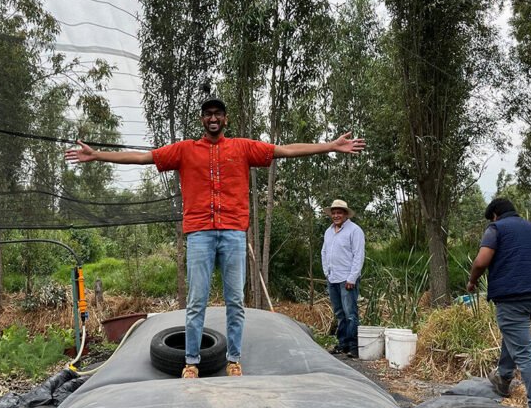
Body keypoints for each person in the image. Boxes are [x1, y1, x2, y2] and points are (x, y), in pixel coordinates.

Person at [65, 98, 365, 378]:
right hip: (199, 234)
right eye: (208, 114)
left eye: (217, 114)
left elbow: (283, 150)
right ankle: (191, 362)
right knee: (197, 301)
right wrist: (98, 155)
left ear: (225, 119)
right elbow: (143, 157)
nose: (213, 118)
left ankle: (233, 359)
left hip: (234, 232)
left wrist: (330, 146)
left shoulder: (242, 147)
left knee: (235, 300)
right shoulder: (185, 149)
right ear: (202, 119)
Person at [467, 197, 531, 408]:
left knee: (524, 351)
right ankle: (503, 377)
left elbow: (481, 261)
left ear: (495, 215)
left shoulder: (496, 229)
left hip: (513, 298)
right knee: (513, 334)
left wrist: (472, 281)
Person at [321, 199, 365, 358]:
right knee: (339, 313)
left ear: (345, 214)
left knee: (350, 313)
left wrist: (352, 278)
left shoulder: (355, 231)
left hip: (347, 279)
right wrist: (326, 272)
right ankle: (342, 344)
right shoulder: (328, 231)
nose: (336, 215)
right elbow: (324, 252)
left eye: (339, 212)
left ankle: (354, 347)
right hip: (332, 278)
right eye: (333, 213)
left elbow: (358, 255)